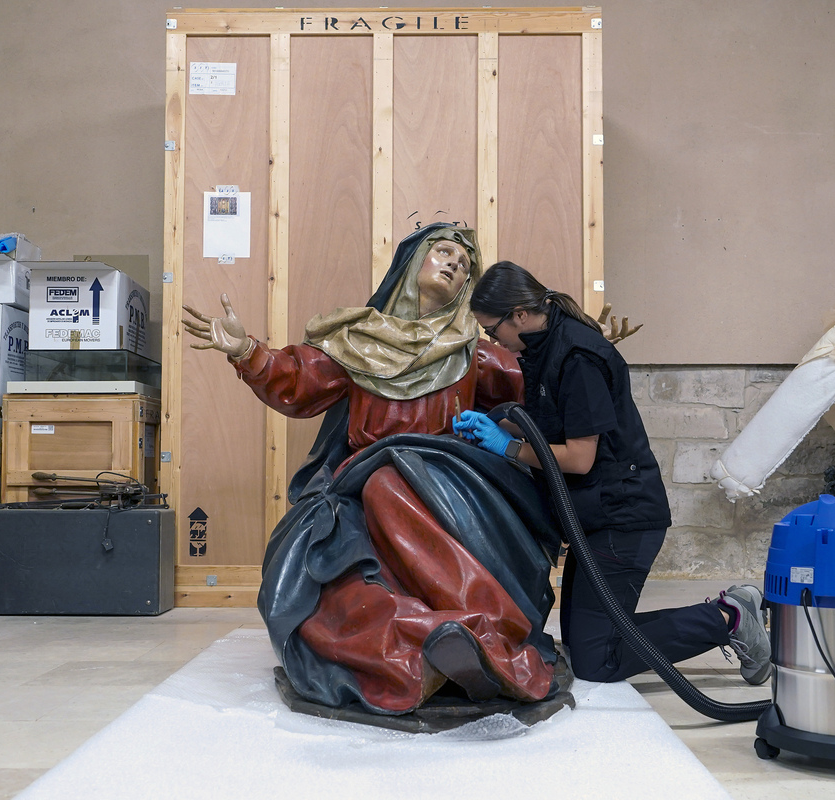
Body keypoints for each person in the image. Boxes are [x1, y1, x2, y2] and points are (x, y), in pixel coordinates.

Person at [182, 224, 563, 714]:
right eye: (443, 252)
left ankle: (488, 628)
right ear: (412, 262)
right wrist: (246, 352)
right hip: (355, 486)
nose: (454, 264)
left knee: (389, 483)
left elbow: (539, 385)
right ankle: (420, 652)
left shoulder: (475, 351)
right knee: (325, 577)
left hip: (446, 480)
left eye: (465, 264)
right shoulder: (358, 340)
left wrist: (580, 348)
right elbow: (300, 380)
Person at [456, 261, 773, 685]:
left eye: (493, 331)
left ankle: (727, 619)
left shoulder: (578, 355)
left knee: (595, 663)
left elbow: (579, 458)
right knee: (587, 642)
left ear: (518, 315)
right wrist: (496, 424)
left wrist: (508, 447)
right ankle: (729, 610)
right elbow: (552, 422)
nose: (494, 340)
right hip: (596, 518)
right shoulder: (544, 347)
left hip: (622, 519)